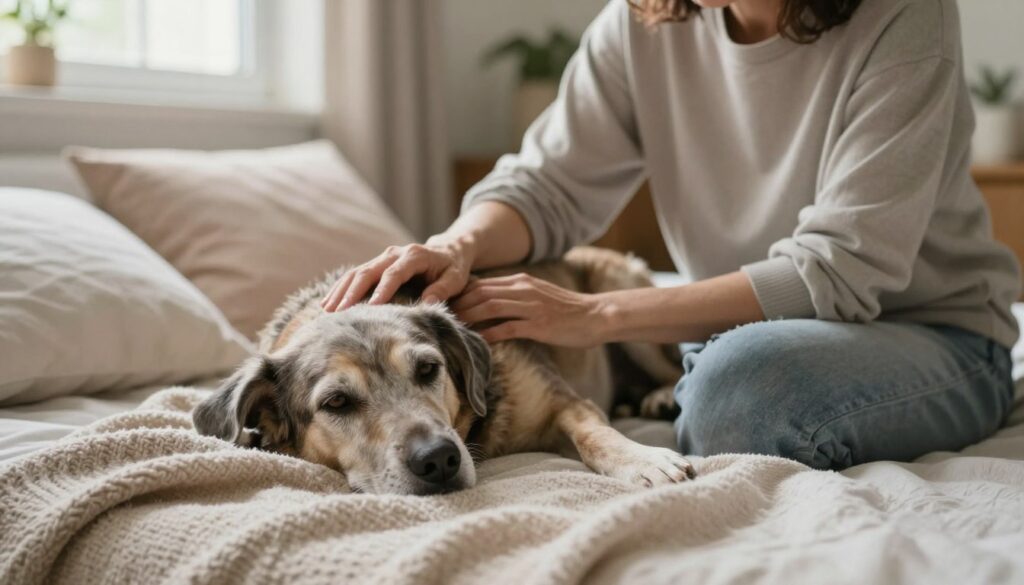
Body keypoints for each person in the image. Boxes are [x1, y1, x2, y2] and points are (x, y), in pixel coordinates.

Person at [321, 0, 1021, 470]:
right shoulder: (639, 26)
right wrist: (456, 246)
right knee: (725, 373)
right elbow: (546, 185)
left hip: (935, 336)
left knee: (736, 394)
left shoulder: (903, 16)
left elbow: (840, 269)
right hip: (748, 334)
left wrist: (598, 315)